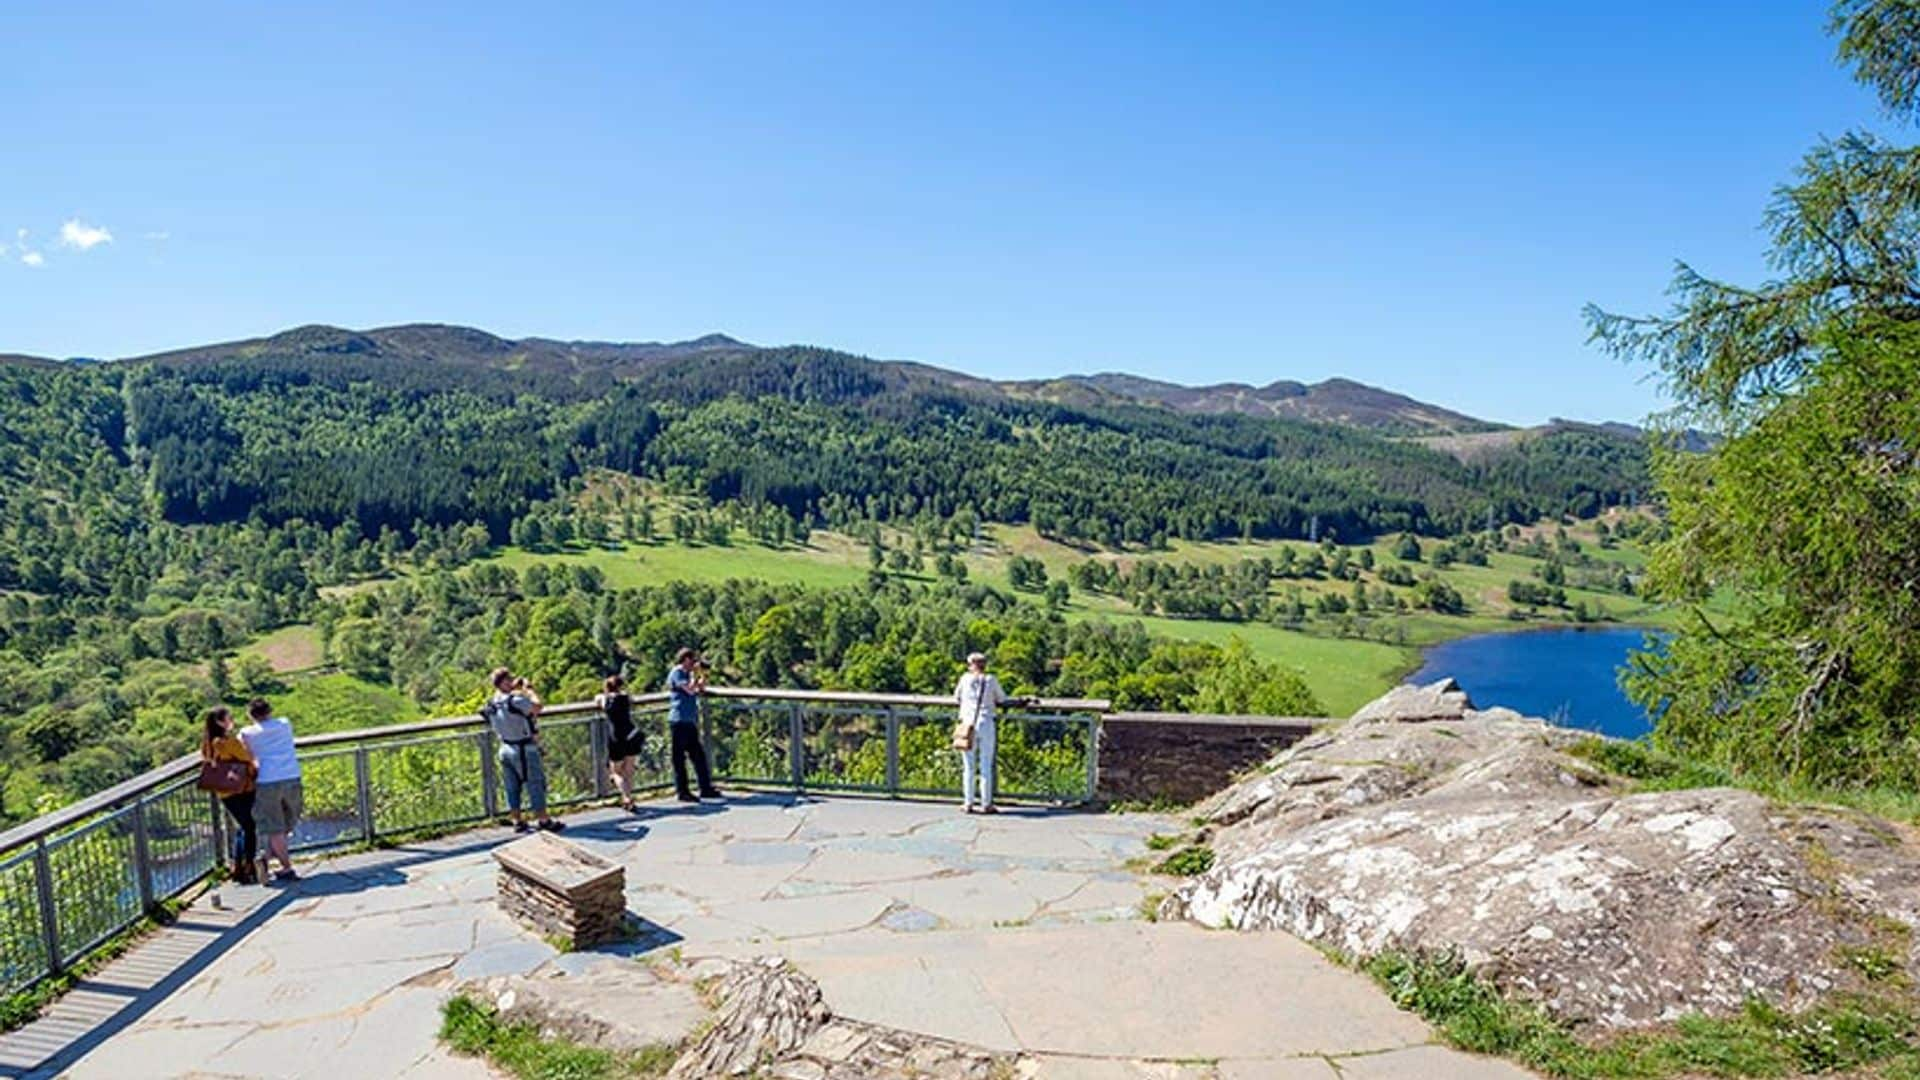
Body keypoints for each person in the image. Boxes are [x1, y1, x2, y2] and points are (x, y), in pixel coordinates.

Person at [485, 668, 564, 833]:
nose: (513, 681)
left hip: (505, 747)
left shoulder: (493, 702)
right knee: (535, 783)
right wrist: (530, 691)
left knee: (512, 786)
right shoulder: (515, 700)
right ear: (504, 682)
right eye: (510, 679)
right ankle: (543, 819)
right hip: (523, 748)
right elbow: (537, 707)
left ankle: (517, 820)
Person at [239, 697, 303, 883]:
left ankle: (277, 863)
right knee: (289, 819)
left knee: (274, 827)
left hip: (266, 781)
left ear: (250, 715)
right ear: (270, 711)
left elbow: (242, 749)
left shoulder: (247, 732)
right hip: (291, 776)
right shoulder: (284, 724)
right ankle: (272, 860)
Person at [201, 706, 260, 885]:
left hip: (225, 791)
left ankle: (237, 866)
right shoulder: (229, 742)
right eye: (229, 718)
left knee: (243, 826)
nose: (231, 721)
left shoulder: (208, 743)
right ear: (221, 722)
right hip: (243, 787)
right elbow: (247, 757)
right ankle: (248, 865)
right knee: (249, 826)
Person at [953, 652, 1015, 814]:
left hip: (967, 724)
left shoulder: (964, 679)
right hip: (986, 722)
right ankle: (986, 803)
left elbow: (956, 697)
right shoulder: (990, 680)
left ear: (970, 665)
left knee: (969, 766)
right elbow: (1001, 699)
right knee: (986, 765)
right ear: (984, 665)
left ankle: (968, 803)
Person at [666, 648, 720, 802]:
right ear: (685, 659)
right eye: (692, 660)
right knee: (679, 758)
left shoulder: (689, 674)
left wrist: (701, 676)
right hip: (678, 720)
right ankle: (682, 791)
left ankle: (705, 788)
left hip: (689, 720)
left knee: (698, 756)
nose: (694, 663)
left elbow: (699, 690)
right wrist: (694, 678)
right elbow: (689, 690)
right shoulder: (677, 673)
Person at [596, 674, 643, 812]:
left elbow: (598, 699)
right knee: (629, 770)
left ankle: (626, 797)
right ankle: (628, 798)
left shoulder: (606, 700)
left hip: (616, 738)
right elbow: (630, 698)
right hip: (631, 734)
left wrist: (603, 695)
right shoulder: (625, 698)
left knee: (616, 772)